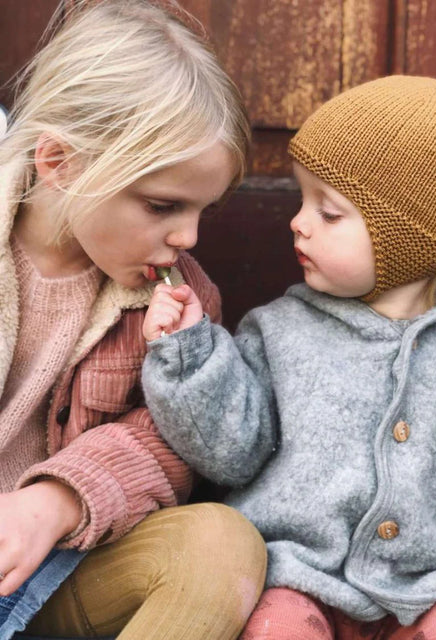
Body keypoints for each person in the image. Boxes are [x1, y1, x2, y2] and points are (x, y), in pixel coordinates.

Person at [142, 53, 436, 639]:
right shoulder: (278, 331)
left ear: (414, 242)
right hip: (296, 578)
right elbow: (231, 454)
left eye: (330, 212)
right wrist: (190, 357)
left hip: (433, 588)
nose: (298, 222)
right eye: (301, 200)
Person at [0, 0, 267, 638]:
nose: (188, 237)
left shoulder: (176, 302)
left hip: (57, 569)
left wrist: (56, 502)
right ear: (60, 163)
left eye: (202, 210)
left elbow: (165, 444)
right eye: (162, 205)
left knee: (221, 544)